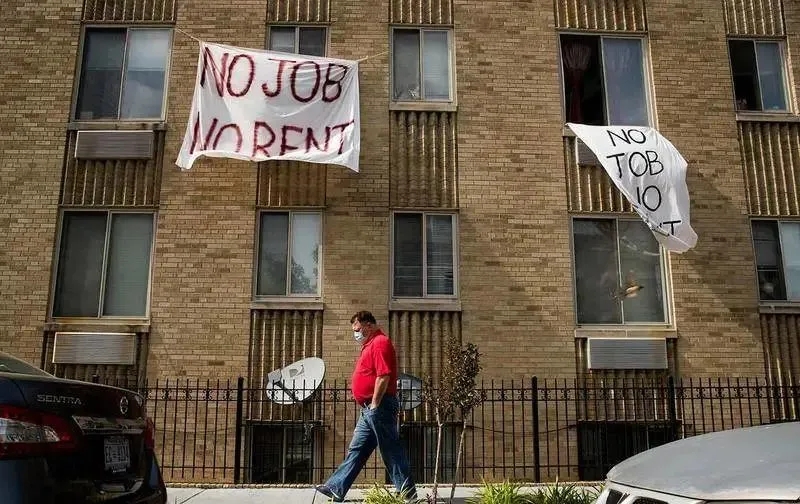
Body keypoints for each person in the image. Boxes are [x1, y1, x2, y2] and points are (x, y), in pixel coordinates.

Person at [315, 311, 418, 503]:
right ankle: (336, 487)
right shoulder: (369, 344)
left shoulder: (380, 343)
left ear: (369, 326)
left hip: (379, 406)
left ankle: (408, 493)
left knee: (390, 449)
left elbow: (383, 376)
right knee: (358, 449)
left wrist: (375, 404)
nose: (355, 333)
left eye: (357, 329)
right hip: (369, 408)